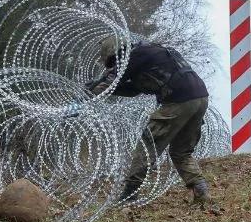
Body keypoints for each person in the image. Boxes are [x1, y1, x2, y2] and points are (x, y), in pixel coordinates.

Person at [87, 37, 212, 206]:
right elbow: (133, 90)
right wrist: (100, 88)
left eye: (113, 61)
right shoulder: (151, 52)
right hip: (200, 97)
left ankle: (129, 195)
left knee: (147, 145)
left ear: (117, 52)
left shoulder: (134, 55)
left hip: (178, 100)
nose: (115, 65)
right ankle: (201, 190)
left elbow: (110, 82)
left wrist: (87, 95)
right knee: (181, 152)